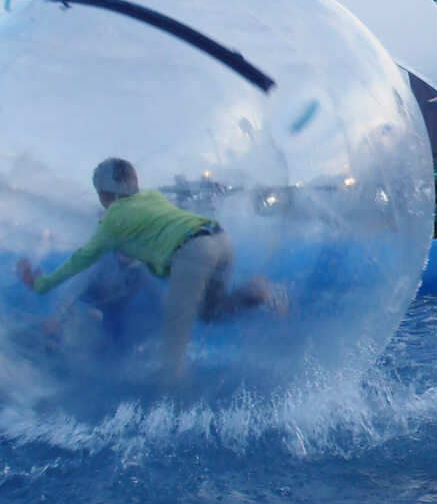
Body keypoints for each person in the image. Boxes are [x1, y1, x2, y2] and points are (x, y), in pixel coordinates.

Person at [16, 157, 284, 381]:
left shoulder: (113, 220)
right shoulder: (150, 197)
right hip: (220, 238)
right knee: (210, 312)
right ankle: (254, 292)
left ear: (104, 195)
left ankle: (176, 406)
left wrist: (42, 284)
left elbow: (80, 260)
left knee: (173, 352)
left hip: (193, 251)